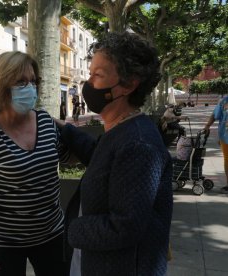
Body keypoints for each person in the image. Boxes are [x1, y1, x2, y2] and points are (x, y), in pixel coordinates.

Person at [56, 32, 173, 275]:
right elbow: (103, 160)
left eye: (97, 75)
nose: (88, 84)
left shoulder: (138, 144)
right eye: (90, 74)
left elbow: (125, 226)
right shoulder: (121, 130)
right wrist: (66, 130)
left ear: (129, 85)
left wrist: (71, 229)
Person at [0, 51, 69, 275]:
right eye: (21, 82)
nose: (30, 88)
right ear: (1, 86)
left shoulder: (45, 121)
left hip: (52, 234)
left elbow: (66, 157)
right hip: (4, 242)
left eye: (33, 81)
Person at [204, 96, 228, 193]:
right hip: (225, 137)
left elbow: (215, 115)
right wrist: (207, 126)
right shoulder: (225, 100)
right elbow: (215, 114)